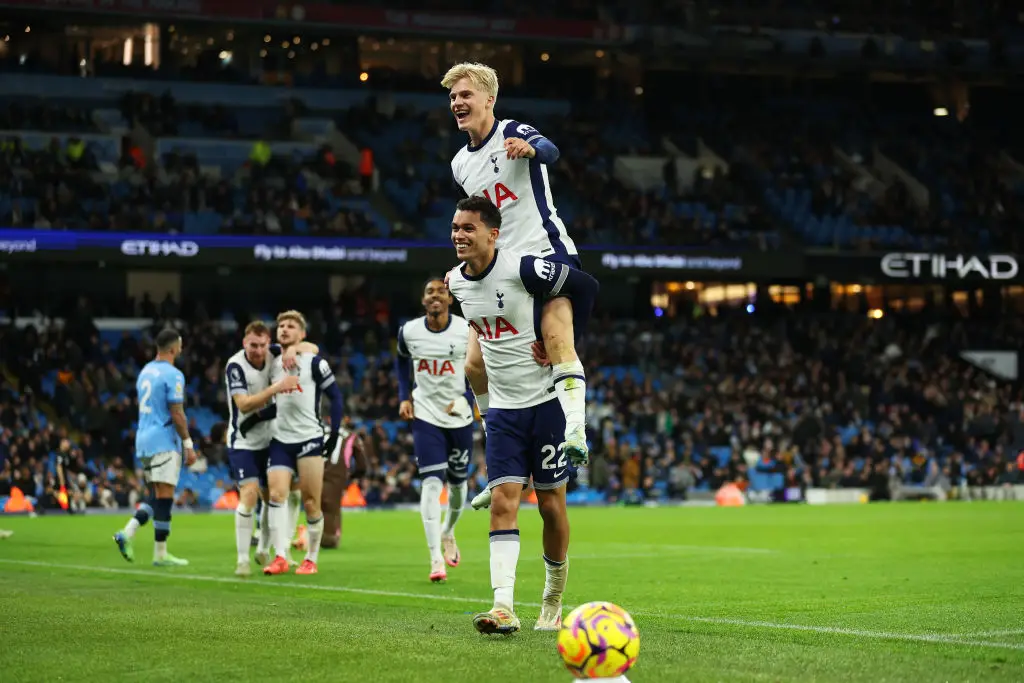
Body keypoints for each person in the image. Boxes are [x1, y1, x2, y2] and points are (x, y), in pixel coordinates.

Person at [442, 62, 593, 513]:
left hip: (545, 254)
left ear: (489, 99)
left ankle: (575, 431)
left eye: (465, 94)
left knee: (555, 341)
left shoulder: (512, 130)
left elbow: (551, 150)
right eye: (453, 97)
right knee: (473, 365)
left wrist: (531, 148)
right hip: (501, 269)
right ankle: (501, 457)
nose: (457, 102)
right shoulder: (460, 164)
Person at [446, 196, 599, 634]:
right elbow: (480, 340)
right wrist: (486, 409)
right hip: (504, 412)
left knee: (550, 506)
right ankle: (502, 606)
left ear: (493, 234)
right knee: (503, 502)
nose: (459, 235)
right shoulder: (455, 283)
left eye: (469, 228)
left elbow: (587, 287)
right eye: (455, 227)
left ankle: (552, 599)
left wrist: (563, 337)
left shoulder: (524, 268)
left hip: (546, 404)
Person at [395, 277, 476, 582]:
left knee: (458, 485)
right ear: (423, 300)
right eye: (429, 292)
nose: (435, 296)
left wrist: (466, 398)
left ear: (450, 299)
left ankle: (448, 531)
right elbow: (401, 362)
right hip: (425, 413)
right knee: (431, 482)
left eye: (441, 291)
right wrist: (404, 396)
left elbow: (480, 368)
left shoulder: (467, 330)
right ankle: (435, 559)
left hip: (459, 416)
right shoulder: (409, 331)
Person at [224, 320, 318, 576]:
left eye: (262, 345)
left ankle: (269, 549)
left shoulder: (274, 352)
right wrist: (277, 387)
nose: (258, 351)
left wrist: (293, 349)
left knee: (275, 496)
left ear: (269, 344)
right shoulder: (236, 366)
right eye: (252, 345)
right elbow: (244, 404)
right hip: (243, 440)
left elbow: (313, 348)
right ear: (244, 343)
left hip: (272, 438)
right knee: (249, 495)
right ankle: (242, 560)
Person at [262, 310, 345, 576]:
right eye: (281, 326)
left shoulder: (314, 362)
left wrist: (334, 434)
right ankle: (280, 556)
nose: (284, 329)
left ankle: (311, 558)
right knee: (276, 496)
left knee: (310, 501)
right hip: (280, 439)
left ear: (302, 334)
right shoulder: (272, 361)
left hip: (309, 438)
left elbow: (336, 397)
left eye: (291, 326)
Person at [113, 328, 196, 566]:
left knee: (156, 496)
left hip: (144, 439)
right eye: (180, 345)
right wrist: (188, 444)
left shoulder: (145, 371)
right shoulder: (174, 374)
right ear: (173, 348)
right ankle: (160, 553)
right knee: (165, 496)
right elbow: (177, 412)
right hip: (163, 440)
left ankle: (128, 532)